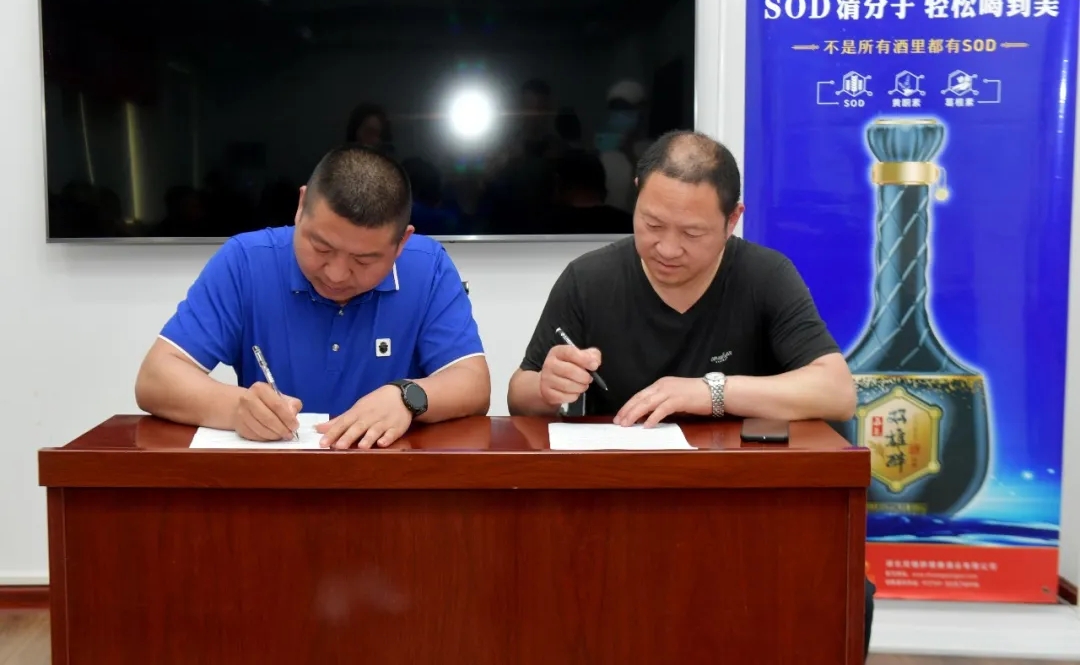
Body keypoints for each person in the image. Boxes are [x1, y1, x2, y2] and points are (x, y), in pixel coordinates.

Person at [506, 129, 874, 659]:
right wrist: (547, 385)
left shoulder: (765, 277)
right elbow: (520, 394)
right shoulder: (588, 279)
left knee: (835, 596)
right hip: (622, 517)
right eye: (652, 224)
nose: (667, 248)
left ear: (733, 219)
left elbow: (837, 391)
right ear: (636, 194)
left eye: (693, 232)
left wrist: (711, 392)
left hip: (743, 518)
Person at [135, 143, 490, 449]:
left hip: (390, 482)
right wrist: (235, 408)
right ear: (301, 205)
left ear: (401, 243)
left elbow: (473, 382)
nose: (335, 274)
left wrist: (406, 398)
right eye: (321, 247)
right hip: (275, 484)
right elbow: (156, 378)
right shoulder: (246, 261)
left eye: (363, 260)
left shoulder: (428, 267)